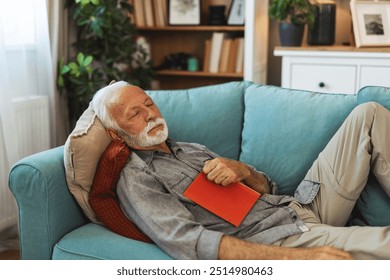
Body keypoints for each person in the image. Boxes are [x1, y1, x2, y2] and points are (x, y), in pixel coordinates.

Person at [91, 80, 390, 260]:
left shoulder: (189, 149)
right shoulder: (138, 178)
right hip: (283, 238)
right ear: (117, 134)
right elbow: (191, 243)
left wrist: (244, 171)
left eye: (149, 104)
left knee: (369, 114)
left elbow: (270, 188)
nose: (151, 115)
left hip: (300, 204)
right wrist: (303, 259)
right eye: (136, 114)